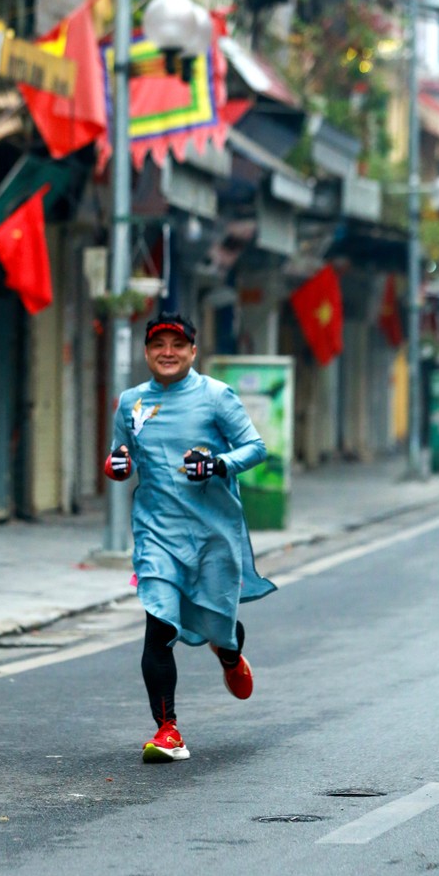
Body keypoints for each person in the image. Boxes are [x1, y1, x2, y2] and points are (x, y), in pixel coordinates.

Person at [104, 311, 275, 763]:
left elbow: (256, 448)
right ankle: (168, 730)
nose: (167, 353)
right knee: (159, 623)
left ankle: (229, 652)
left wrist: (218, 464)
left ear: (192, 352)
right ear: (146, 352)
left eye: (177, 345)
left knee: (217, 620)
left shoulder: (216, 396)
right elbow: (121, 456)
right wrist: (116, 466)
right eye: (158, 345)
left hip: (211, 533)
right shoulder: (131, 403)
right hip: (156, 532)